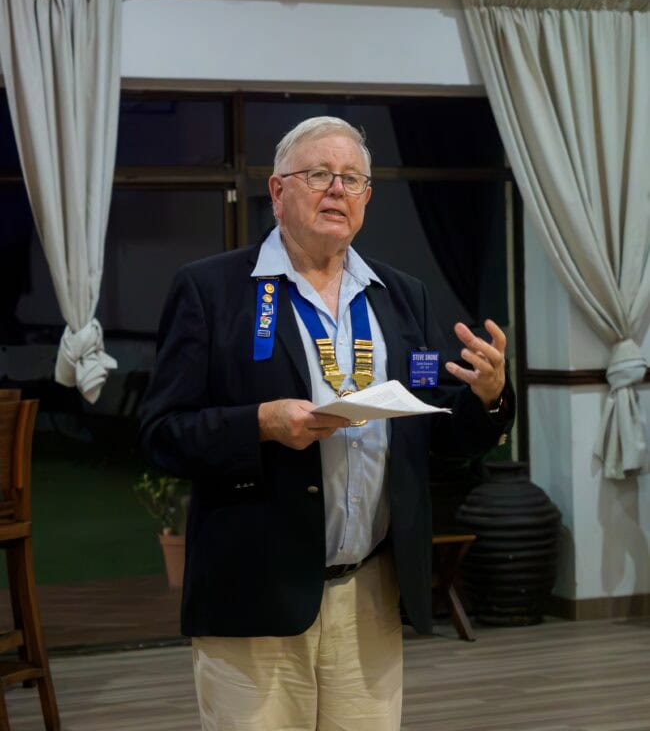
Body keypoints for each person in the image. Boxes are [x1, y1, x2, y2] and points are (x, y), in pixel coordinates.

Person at [139, 116, 514, 731]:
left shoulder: (400, 295)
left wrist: (488, 398)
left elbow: (429, 428)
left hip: (370, 595)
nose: (337, 189)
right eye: (319, 174)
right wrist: (257, 423)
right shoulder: (214, 290)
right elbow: (159, 435)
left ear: (367, 198)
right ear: (278, 191)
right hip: (256, 594)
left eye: (353, 179)